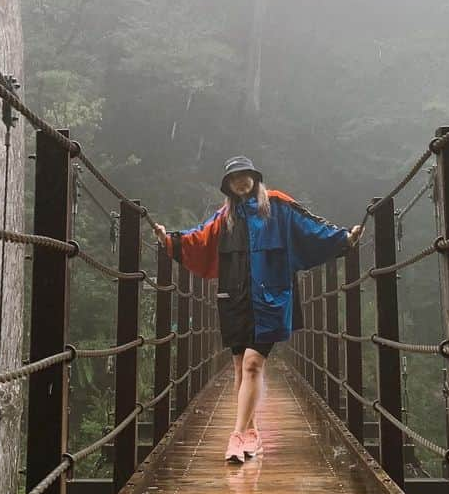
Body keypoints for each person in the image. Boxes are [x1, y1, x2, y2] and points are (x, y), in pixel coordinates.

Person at [153, 156, 362, 464]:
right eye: (234, 178)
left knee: (252, 364)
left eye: (245, 175)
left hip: (270, 300)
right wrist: (169, 240)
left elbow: (312, 228)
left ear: (255, 177)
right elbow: (197, 238)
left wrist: (344, 238)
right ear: (228, 185)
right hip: (235, 300)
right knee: (241, 367)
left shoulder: (277, 205)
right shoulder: (226, 216)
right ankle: (252, 434)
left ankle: (236, 436)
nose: (241, 181)